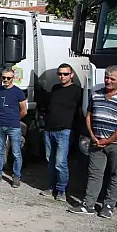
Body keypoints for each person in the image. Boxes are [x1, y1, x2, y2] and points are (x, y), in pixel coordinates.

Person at [69, 65, 117, 219]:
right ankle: (88, 205)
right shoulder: (96, 95)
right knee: (94, 174)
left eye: (112, 79)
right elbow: (89, 115)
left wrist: (109, 140)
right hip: (97, 142)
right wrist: (93, 135)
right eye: (106, 77)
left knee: (116, 174)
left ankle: (109, 206)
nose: (108, 81)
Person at [39, 63, 83, 200]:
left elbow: (80, 112)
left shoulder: (77, 91)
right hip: (49, 130)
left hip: (64, 131)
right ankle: (51, 187)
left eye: (65, 74)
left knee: (60, 162)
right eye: (60, 74)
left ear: (72, 75)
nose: (62, 76)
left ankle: (62, 190)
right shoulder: (55, 88)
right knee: (50, 160)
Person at [0, 67, 27, 187]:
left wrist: (15, 119)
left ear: (13, 78)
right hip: (0, 125)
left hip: (14, 126)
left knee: (16, 152)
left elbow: (24, 110)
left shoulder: (18, 92)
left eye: (9, 78)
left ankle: (16, 177)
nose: (6, 80)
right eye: (4, 78)